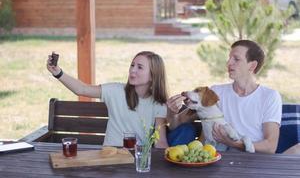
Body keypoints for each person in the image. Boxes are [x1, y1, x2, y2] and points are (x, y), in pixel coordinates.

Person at [167, 40, 300, 154]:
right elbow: (175, 124)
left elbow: (270, 146)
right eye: (229, 58)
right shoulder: (216, 92)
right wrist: (172, 113)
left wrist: (232, 143)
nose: (229, 63)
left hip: (255, 163)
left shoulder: (269, 96)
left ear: (252, 65)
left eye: (236, 59)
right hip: (219, 160)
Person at [47, 51, 169, 148]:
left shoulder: (159, 104)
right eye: (132, 65)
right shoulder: (116, 90)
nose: (132, 70)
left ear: (153, 76)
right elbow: (82, 89)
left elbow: (161, 141)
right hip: (110, 154)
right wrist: (58, 73)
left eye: (140, 67)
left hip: (137, 158)